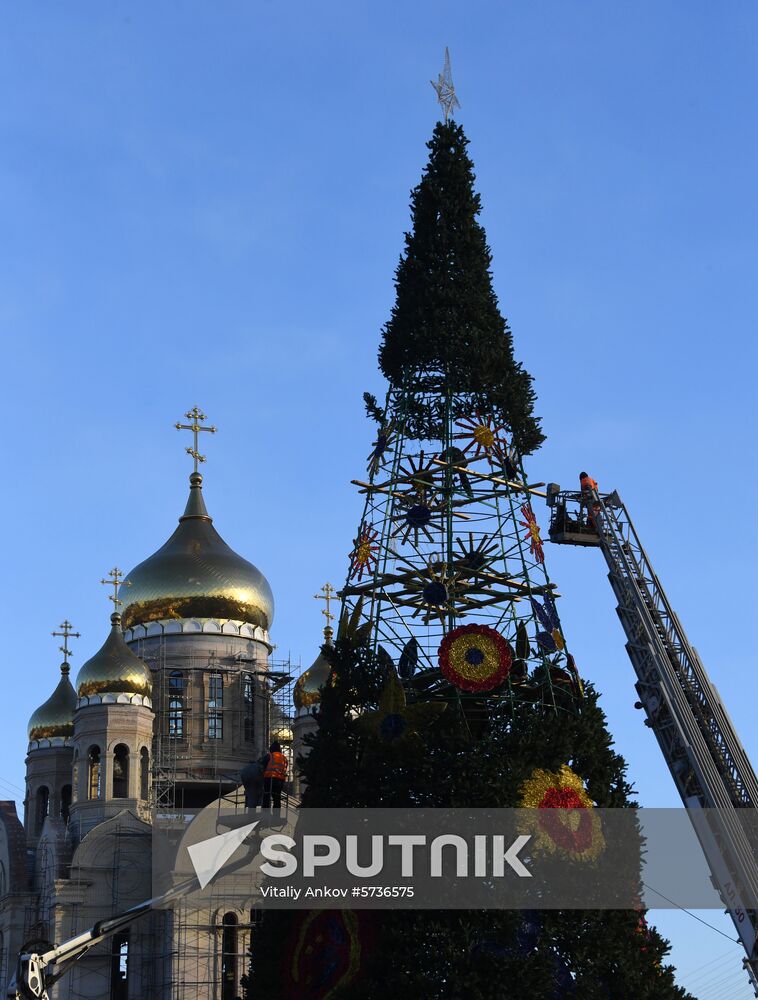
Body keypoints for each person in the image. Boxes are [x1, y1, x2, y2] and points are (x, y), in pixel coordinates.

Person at [261, 741, 288, 810]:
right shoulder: (284, 758)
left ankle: (265, 813)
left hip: (270, 779)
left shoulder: (270, 755)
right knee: (277, 798)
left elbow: (262, 766)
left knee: (266, 796)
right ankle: (276, 815)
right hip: (280, 781)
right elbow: (285, 768)